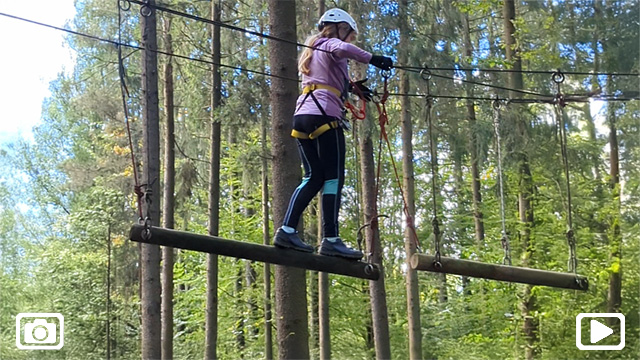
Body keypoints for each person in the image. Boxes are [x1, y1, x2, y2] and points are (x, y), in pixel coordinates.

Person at [273, 8, 393, 260]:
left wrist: (352, 88)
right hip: (325, 115)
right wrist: (374, 59)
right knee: (333, 177)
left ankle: (286, 230)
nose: (349, 40)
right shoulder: (331, 43)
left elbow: (330, 74)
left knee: (313, 177)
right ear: (338, 27)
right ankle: (331, 239)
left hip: (303, 116)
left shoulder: (314, 49)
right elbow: (344, 49)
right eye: (348, 34)